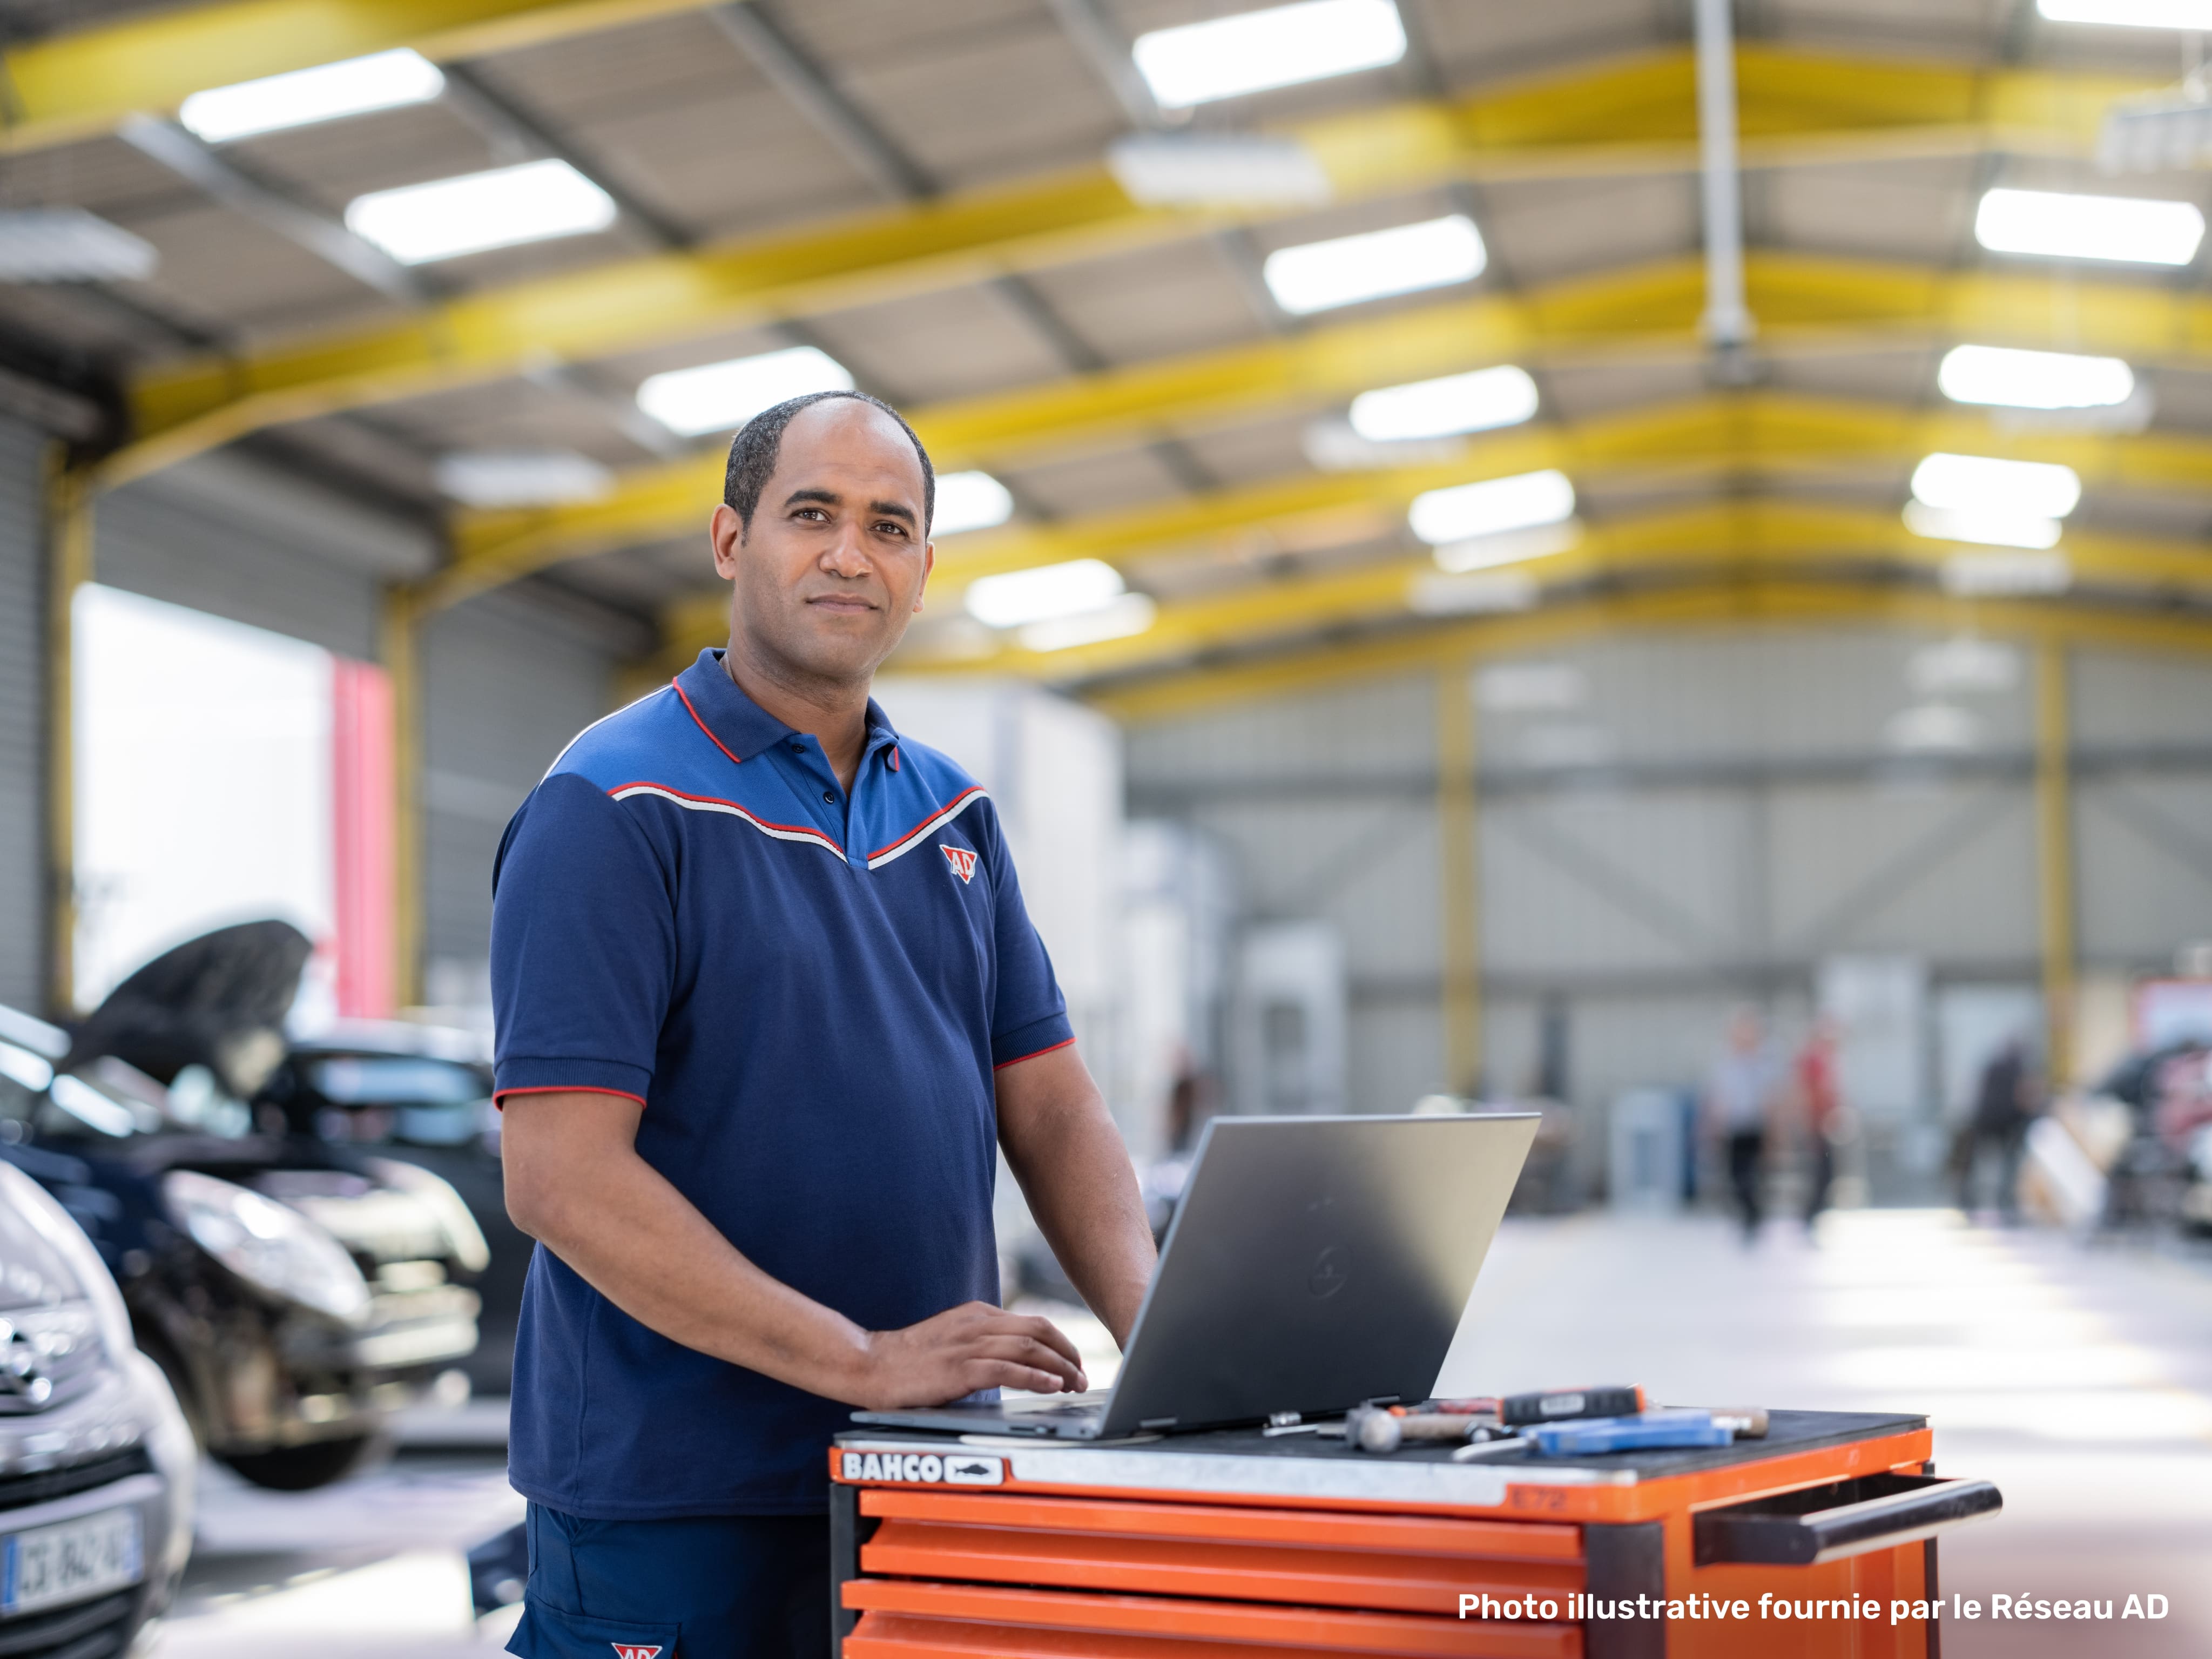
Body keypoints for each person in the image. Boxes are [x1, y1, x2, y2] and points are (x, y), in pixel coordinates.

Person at [490, 390, 1158, 1658]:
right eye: (813, 514)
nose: (851, 552)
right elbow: (560, 1178)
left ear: (919, 573)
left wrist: (1176, 1344)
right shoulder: (612, 800)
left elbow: (1055, 1104)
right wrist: (860, 1357)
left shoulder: (952, 814)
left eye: (889, 526)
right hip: (683, 1496)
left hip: (929, 1472)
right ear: (731, 541)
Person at [1705, 1008, 1779, 1243]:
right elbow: (1718, 1099)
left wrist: (1775, 1130)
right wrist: (1714, 1127)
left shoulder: (1764, 1065)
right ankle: (1748, 1217)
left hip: (1757, 1127)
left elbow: (1771, 1099)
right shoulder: (1725, 1066)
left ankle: (1755, 1219)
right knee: (1737, 1177)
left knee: (1757, 1176)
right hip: (1734, 1129)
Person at [1956, 1038, 2033, 1222]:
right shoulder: (2018, 1068)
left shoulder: (1991, 1066)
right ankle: (2005, 1202)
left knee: (1976, 1164)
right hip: (2006, 1121)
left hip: (1985, 1118)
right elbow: (2022, 1095)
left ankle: (1968, 1202)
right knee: (2008, 1164)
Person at [1796, 1017, 1843, 1229]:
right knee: (1820, 1174)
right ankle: (1810, 1217)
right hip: (1815, 1127)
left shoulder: (1825, 1061)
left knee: (1826, 1173)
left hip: (1823, 1126)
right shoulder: (1813, 1061)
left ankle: (1815, 1216)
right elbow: (1810, 1096)